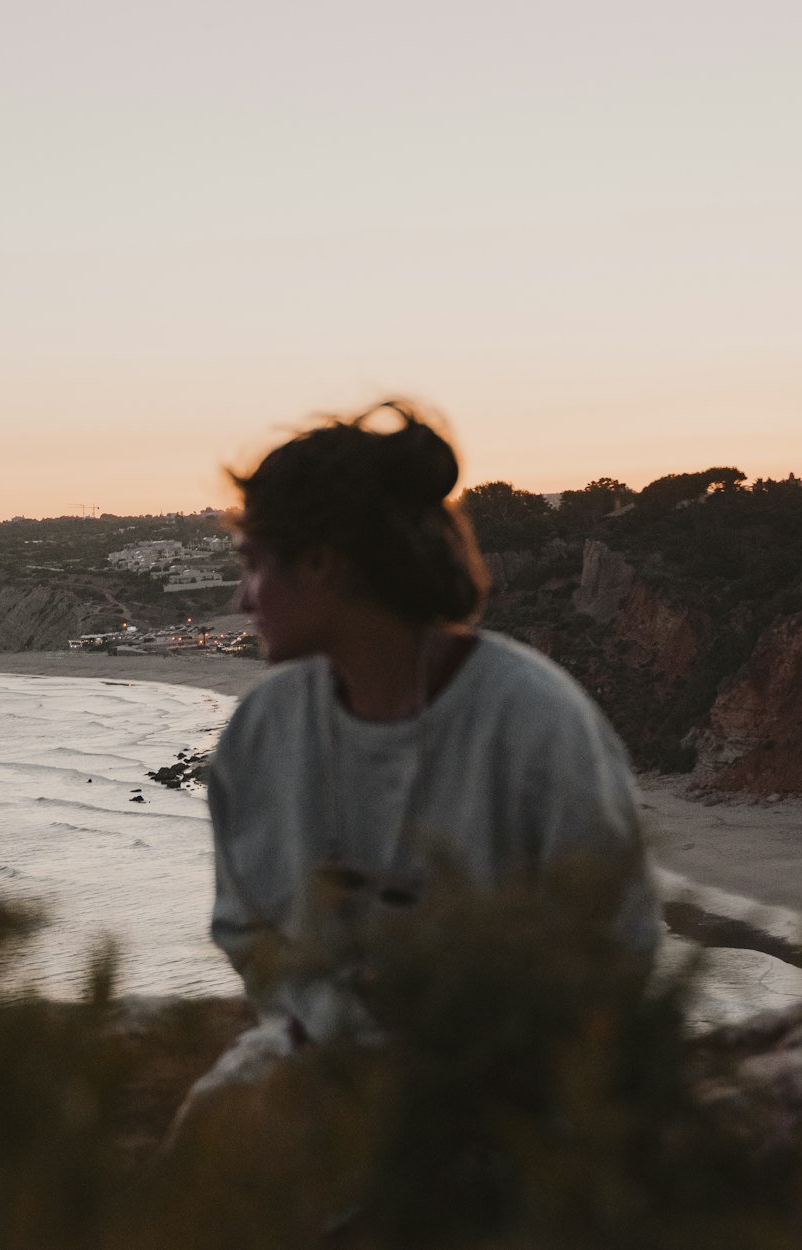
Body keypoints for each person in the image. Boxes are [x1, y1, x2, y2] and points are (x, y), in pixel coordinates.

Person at [192, 400, 660, 1096]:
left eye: (254, 566)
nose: (240, 599)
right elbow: (243, 926)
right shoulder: (263, 728)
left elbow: (616, 946)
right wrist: (342, 1035)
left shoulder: (534, 721)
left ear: (323, 564)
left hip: (511, 1107)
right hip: (328, 1087)